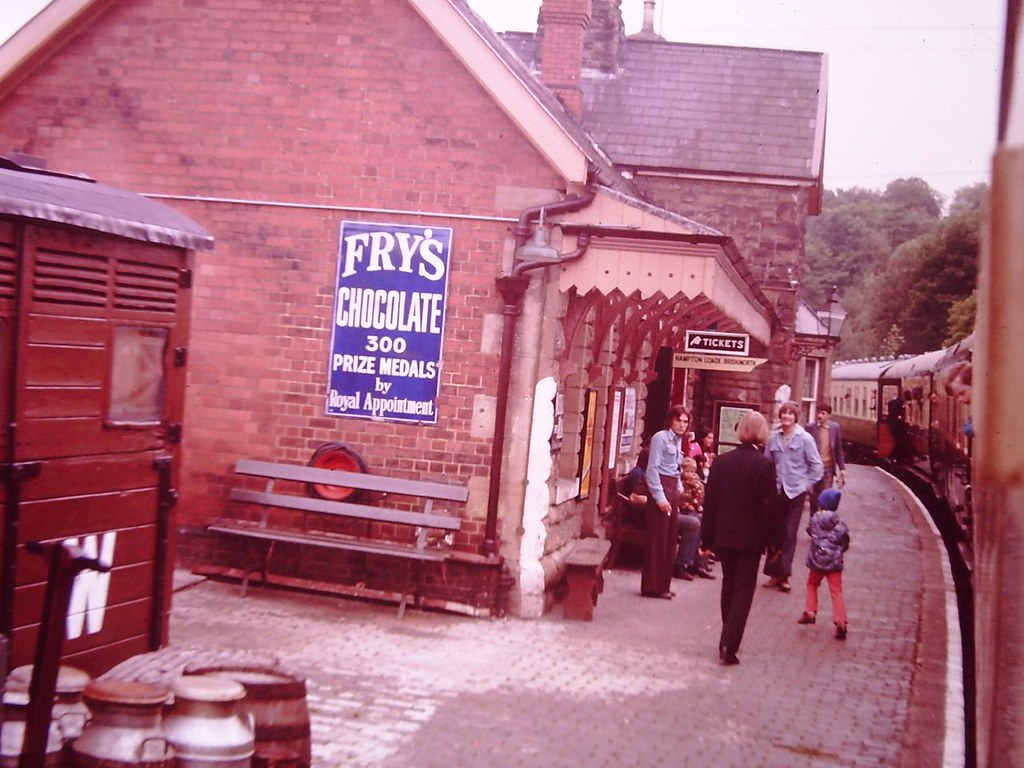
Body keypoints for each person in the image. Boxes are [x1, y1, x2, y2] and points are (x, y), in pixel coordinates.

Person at [699, 410, 778, 665]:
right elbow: (769, 508)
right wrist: (775, 542)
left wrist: (706, 540)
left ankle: (726, 635)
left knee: (729, 586)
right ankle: (729, 645)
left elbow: (709, 503)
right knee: (744, 591)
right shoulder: (765, 465)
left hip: (724, 536)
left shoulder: (722, 462)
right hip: (751, 540)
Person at [763, 400, 823, 593]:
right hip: (777, 491)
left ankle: (784, 575)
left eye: (790, 414)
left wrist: (805, 485)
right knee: (774, 532)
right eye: (783, 413)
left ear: (796, 417)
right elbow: (766, 464)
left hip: (795, 492)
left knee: (789, 532)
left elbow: (817, 467)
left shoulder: (805, 438)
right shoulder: (773, 438)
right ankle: (773, 573)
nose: (786, 417)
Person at [642, 405, 691, 598]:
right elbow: (652, 470)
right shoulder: (660, 438)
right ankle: (652, 586)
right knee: (657, 541)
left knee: (670, 540)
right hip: (660, 489)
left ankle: (664, 585)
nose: (682, 425)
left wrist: (679, 489)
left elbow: (675, 468)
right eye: (679, 420)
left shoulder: (678, 441)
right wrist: (660, 498)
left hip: (672, 489)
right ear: (671, 420)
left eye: (685, 421)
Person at [797, 488, 851, 640]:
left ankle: (810, 610)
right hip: (834, 563)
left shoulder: (815, 519)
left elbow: (810, 531)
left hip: (817, 561)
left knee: (812, 584)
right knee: (836, 591)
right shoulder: (840, 523)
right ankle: (841, 621)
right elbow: (845, 541)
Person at [673, 453, 713, 581]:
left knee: (702, 518)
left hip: (679, 509)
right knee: (693, 523)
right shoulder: (646, 474)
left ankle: (698, 562)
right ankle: (682, 564)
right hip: (670, 511)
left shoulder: (678, 475)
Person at [806, 403, 846, 513]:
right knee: (814, 498)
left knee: (825, 497)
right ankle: (813, 522)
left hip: (828, 468)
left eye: (823, 413)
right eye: (818, 413)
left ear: (829, 415)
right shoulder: (810, 428)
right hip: (814, 468)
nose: (820, 416)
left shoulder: (834, 428)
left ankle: (824, 522)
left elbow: (838, 449)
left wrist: (842, 469)